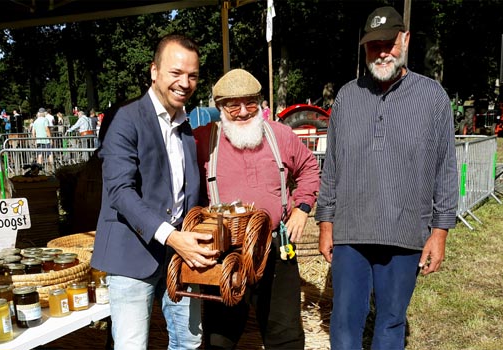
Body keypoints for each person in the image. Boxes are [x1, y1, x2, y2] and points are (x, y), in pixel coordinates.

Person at [315, 6, 458, 350]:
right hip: (351, 233)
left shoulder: (432, 97)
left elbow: (445, 168)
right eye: (372, 45)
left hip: (406, 232)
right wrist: (325, 223)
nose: (381, 52)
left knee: (391, 322)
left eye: (389, 43)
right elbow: (331, 167)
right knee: (345, 322)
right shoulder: (348, 97)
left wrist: (440, 232)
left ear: (405, 40)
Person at [91, 34, 218, 350]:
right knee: (132, 345)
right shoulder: (125, 118)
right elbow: (120, 191)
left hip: (178, 255)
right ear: (154, 71)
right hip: (132, 254)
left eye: (192, 75)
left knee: (189, 340)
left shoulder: (185, 126)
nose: (185, 82)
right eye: (176, 73)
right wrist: (173, 237)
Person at [194, 68, 320, 349]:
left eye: (250, 103)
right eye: (232, 105)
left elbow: (310, 168)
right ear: (219, 107)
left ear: (261, 103)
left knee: (284, 333)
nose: (242, 112)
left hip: (275, 245)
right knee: (219, 336)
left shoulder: (280, 135)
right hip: (224, 251)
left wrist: (302, 207)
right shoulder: (203, 140)